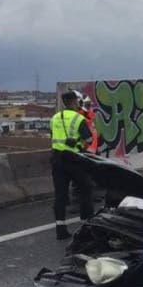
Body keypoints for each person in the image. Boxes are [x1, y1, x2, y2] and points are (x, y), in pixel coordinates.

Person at [51, 90, 94, 240]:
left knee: (60, 195)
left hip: (57, 159)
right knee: (85, 190)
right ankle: (86, 226)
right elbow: (89, 140)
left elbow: (54, 137)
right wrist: (77, 143)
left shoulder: (55, 118)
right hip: (75, 160)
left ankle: (60, 229)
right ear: (75, 102)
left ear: (63, 102)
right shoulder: (78, 118)